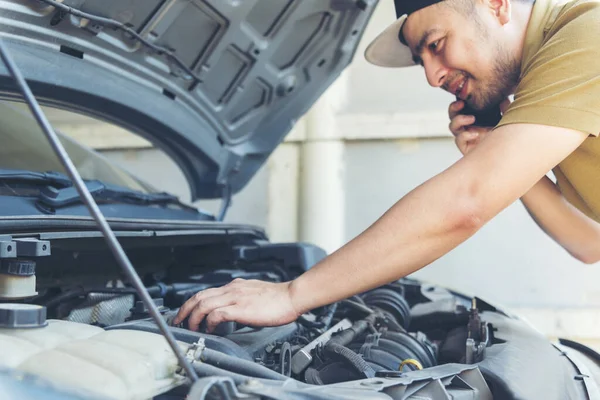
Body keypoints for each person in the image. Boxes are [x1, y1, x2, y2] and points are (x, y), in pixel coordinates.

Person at [174, 0, 600, 332]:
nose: (432, 76)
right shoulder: (555, 92)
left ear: (496, 5)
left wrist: (292, 296)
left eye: (436, 45)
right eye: (422, 60)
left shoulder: (587, 36)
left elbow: (468, 201)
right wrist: (500, 155)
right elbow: (588, 244)